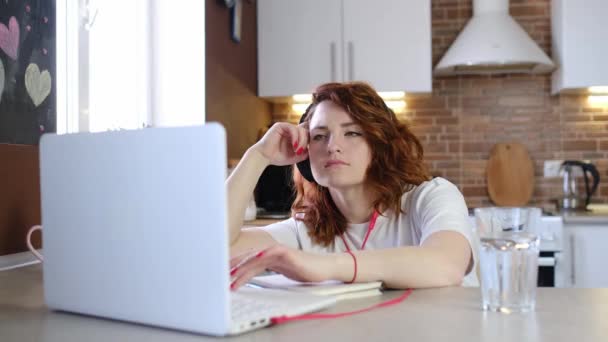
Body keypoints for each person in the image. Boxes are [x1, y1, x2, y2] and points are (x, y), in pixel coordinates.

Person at [227, 82, 477, 290]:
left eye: (352, 133)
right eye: (319, 136)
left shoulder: (432, 196)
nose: (332, 146)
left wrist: (325, 267)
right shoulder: (305, 230)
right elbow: (218, 251)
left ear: (380, 145)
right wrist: (258, 156)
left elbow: (447, 265)